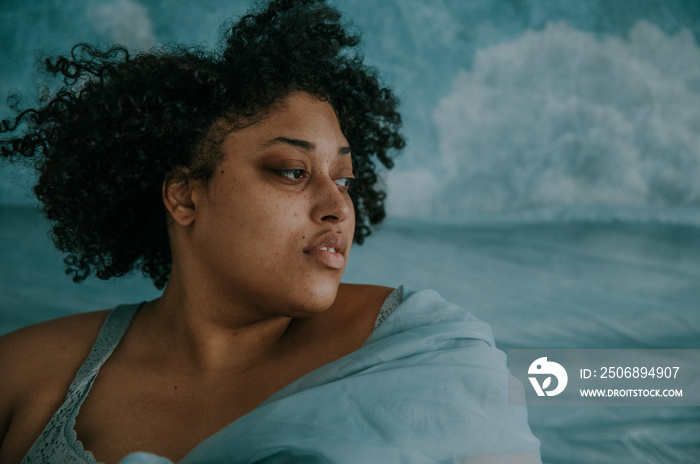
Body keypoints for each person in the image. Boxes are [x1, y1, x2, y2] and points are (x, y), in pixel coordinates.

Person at [0, 0, 541, 462]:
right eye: (292, 172)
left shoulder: (424, 354)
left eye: (346, 180)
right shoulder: (26, 375)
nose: (337, 207)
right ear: (185, 195)